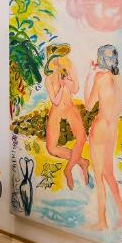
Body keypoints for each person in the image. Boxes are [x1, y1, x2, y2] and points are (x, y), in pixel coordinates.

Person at [84, 44, 122, 230]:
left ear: (100, 59)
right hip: (112, 130)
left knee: (99, 176)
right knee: (109, 174)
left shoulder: (100, 77)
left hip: (100, 129)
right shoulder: (118, 80)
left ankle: (102, 221)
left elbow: (88, 105)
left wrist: (89, 75)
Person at [43, 45, 90, 190]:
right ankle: (82, 162)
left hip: (69, 107)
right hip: (57, 110)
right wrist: (62, 87)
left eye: (59, 57)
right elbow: (56, 101)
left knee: (81, 138)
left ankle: (68, 169)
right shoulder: (48, 79)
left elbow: (75, 89)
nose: (57, 61)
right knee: (51, 148)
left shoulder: (69, 69)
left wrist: (68, 81)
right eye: (54, 57)